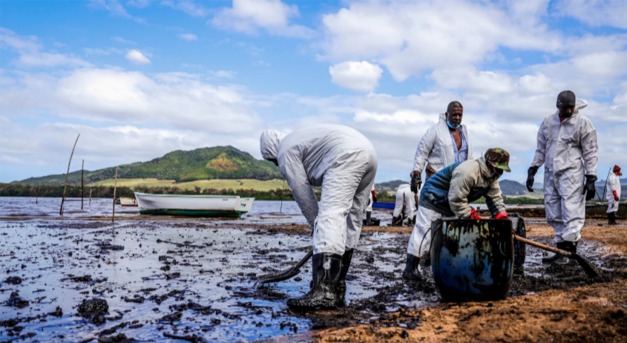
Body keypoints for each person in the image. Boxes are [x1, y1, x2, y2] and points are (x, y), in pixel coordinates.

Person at [259, 124, 378, 310]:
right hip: (369, 153)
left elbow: (302, 193)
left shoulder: (285, 151)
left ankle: (324, 291)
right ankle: (337, 285)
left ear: (272, 151)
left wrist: (318, 226)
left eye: (273, 160)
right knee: (351, 220)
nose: (276, 164)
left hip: (346, 154)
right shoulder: (298, 138)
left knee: (330, 215)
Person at [403, 148, 511, 281]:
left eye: (502, 170)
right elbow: (456, 199)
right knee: (424, 232)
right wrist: (470, 214)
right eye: (498, 169)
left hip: (448, 203)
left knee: (445, 234)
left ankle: (433, 263)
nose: (499, 173)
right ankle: (410, 268)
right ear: (489, 164)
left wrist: (500, 215)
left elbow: (495, 198)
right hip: (433, 197)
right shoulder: (468, 171)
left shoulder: (491, 179)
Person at [526, 90, 598, 263]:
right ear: (558, 106)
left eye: (571, 108)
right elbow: (541, 148)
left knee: (571, 209)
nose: (568, 111)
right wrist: (533, 168)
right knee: (553, 209)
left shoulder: (582, 123)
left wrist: (591, 177)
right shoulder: (548, 122)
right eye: (565, 108)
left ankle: (571, 253)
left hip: (571, 172)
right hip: (551, 173)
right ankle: (560, 251)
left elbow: (590, 151)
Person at [410, 101, 474, 194]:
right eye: (454, 115)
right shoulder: (435, 130)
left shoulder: (465, 133)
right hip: (437, 180)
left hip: (459, 183)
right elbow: (422, 152)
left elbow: (470, 158)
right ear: (447, 114)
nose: (457, 118)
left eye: (460, 115)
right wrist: (416, 172)